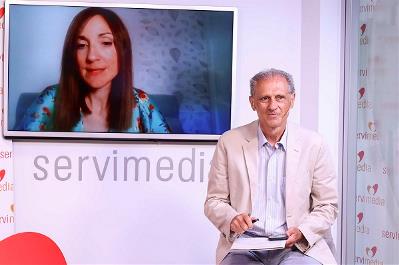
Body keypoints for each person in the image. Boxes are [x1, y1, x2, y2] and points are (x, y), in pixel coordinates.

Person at [204, 68, 338, 265]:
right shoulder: (229, 142)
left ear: (292, 100)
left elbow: (327, 205)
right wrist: (232, 219)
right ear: (252, 103)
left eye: (280, 98)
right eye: (264, 98)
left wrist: (303, 231)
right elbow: (214, 201)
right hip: (244, 246)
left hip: (298, 247)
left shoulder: (314, 143)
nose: (272, 106)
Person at [17, 7, 170, 133]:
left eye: (105, 42)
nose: (91, 56)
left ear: (123, 50)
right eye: (81, 45)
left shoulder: (142, 104)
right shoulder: (50, 100)